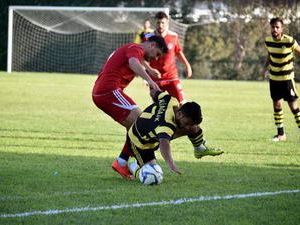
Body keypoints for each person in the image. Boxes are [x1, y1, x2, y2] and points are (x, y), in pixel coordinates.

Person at [112, 90, 224, 179]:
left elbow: (155, 92)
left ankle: (199, 149)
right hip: (139, 142)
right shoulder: (166, 125)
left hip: (152, 134)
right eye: (187, 123)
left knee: (194, 129)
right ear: (179, 114)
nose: (187, 126)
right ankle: (132, 165)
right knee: (153, 175)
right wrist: (171, 163)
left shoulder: (171, 99)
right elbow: (164, 143)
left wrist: (153, 91)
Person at [92, 35, 168, 130]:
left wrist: (149, 70)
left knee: (134, 130)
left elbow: (138, 61)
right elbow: (133, 62)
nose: (156, 58)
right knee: (142, 125)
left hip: (103, 92)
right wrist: (150, 80)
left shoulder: (133, 49)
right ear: (152, 45)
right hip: (109, 91)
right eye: (157, 54)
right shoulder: (136, 48)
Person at [262, 17, 300, 141]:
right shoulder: (268, 41)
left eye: (277, 27)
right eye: (273, 27)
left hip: (287, 79)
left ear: (282, 28)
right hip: (274, 79)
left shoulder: (289, 41)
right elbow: (270, 55)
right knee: (277, 105)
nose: (275, 29)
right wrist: (265, 68)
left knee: (293, 107)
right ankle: (281, 134)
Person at [142, 11, 192, 104]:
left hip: (171, 77)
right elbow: (142, 56)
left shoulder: (174, 36)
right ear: (155, 23)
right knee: (158, 107)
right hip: (155, 79)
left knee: (181, 103)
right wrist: (148, 71)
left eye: (163, 23)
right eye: (158, 23)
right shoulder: (148, 36)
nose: (160, 25)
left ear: (167, 23)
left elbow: (178, 52)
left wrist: (187, 65)